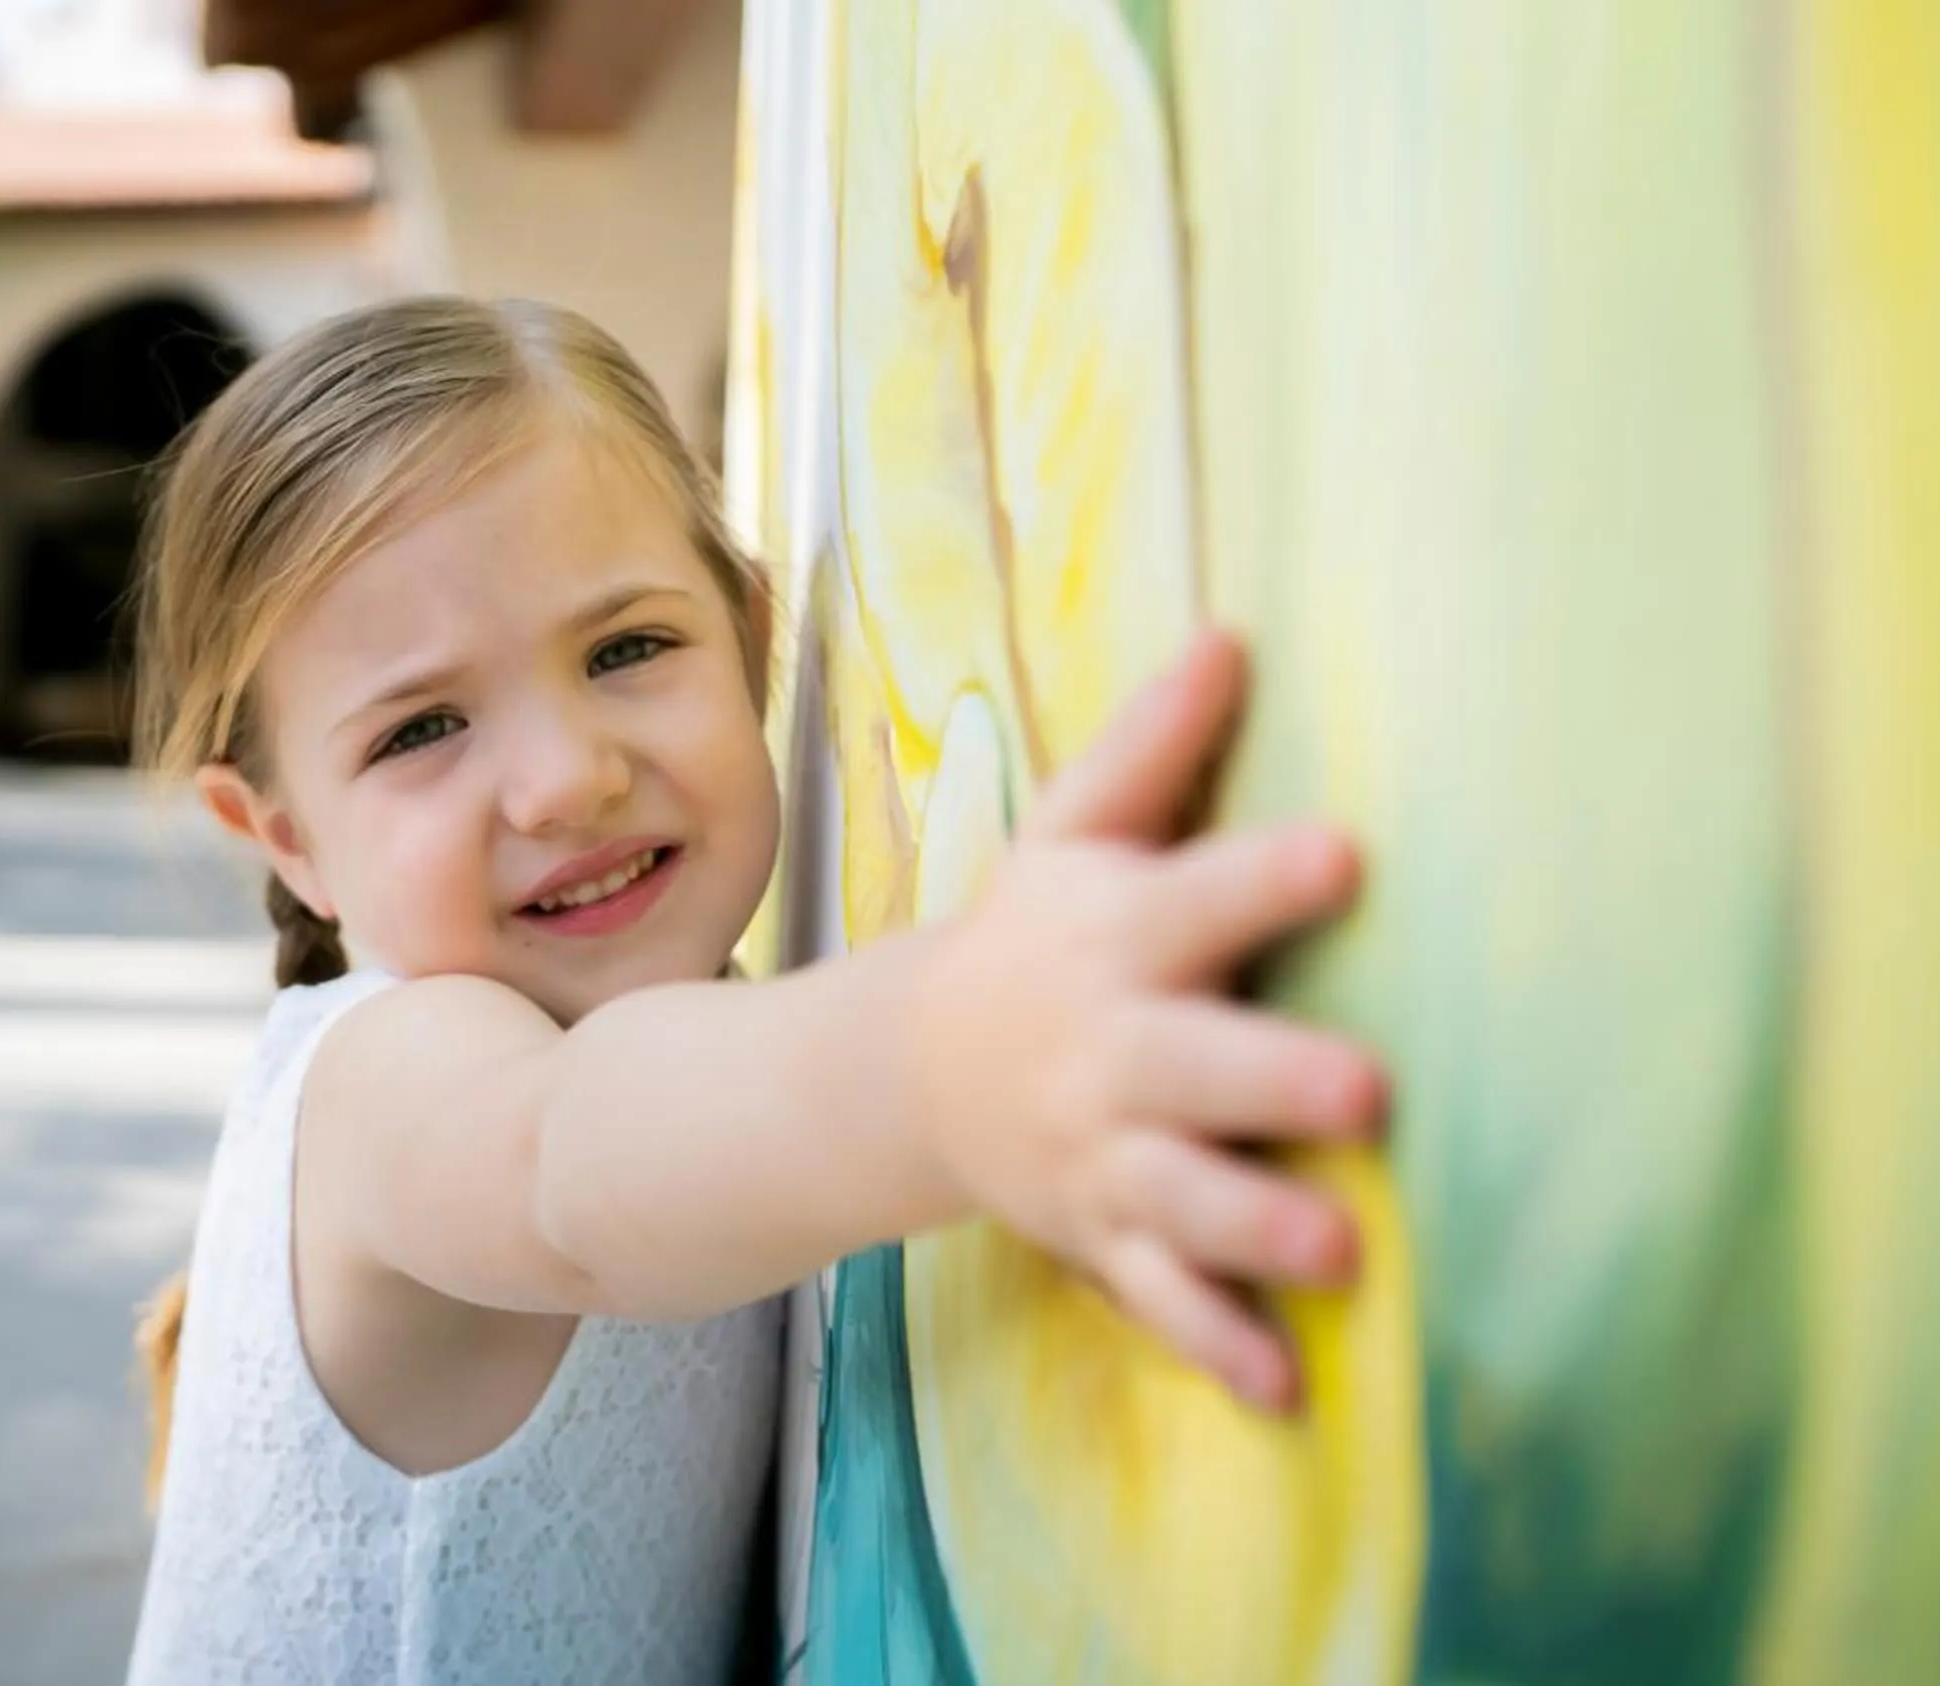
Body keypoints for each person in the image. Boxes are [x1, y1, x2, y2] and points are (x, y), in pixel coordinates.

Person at [122, 296, 1389, 1684]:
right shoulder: (392, 1078)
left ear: (748, 632)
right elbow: (568, 1156)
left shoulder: (715, 1040)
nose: (570, 775)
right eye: (423, 728)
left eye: (627, 650)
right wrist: (960, 1057)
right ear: (286, 836)